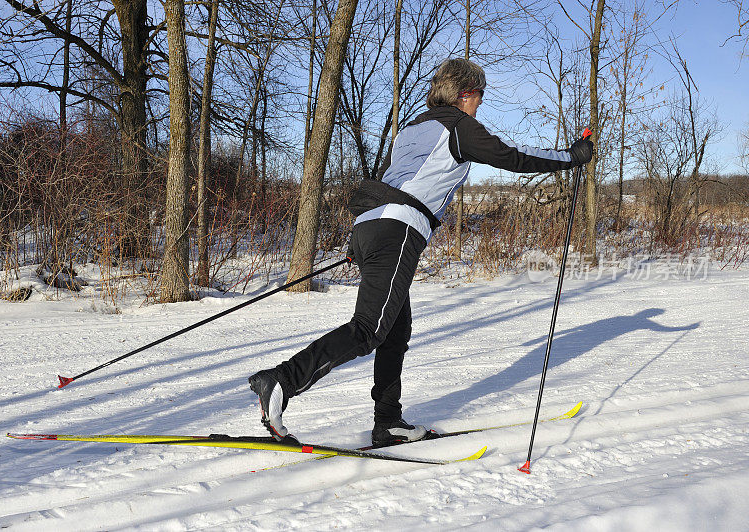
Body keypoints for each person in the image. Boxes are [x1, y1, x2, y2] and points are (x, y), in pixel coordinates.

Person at [249, 58, 593, 446]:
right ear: (465, 94)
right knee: (369, 330)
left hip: (371, 226)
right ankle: (282, 380)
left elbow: (392, 181)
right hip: (398, 230)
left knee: (395, 331)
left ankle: (388, 423)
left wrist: (359, 245)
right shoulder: (458, 127)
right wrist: (573, 155)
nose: (479, 105)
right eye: (479, 97)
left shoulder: (411, 129)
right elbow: (512, 156)